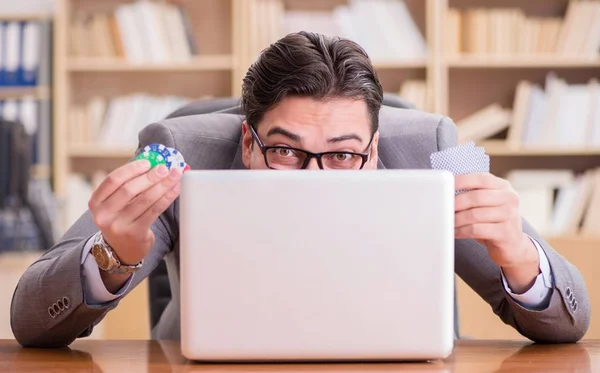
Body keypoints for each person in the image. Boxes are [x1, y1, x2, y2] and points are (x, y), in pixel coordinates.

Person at [11, 31, 589, 347]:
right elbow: (30, 320)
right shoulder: (176, 149)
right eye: (285, 150)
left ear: (376, 140)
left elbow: (572, 322)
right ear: (245, 140)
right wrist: (111, 255)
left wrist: (518, 256)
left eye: (342, 154)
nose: (316, 180)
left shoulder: (434, 145)